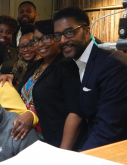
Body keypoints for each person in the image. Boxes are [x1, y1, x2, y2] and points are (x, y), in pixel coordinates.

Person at [53, 7, 127, 150]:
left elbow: (107, 130)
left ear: (87, 31)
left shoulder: (112, 64)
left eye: (69, 32)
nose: (62, 40)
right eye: (57, 35)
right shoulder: (70, 62)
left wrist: (81, 158)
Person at [19, 20, 86, 150]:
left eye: (46, 38)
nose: (41, 44)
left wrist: (63, 152)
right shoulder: (34, 65)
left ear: (57, 38)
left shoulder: (67, 66)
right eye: (37, 40)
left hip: (56, 139)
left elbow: (75, 112)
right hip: (31, 139)